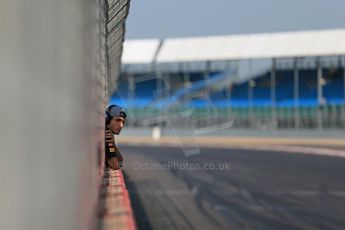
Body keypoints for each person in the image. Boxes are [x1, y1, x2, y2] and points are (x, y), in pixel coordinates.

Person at [104, 104, 126, 170]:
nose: (121, 125)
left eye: (123, 122)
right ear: (107, 120)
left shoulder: (108, 134)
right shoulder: (107, 134)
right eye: (118, 120)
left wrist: (113, 144)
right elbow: (117, 166)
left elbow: (121, 162)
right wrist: (112, 144)